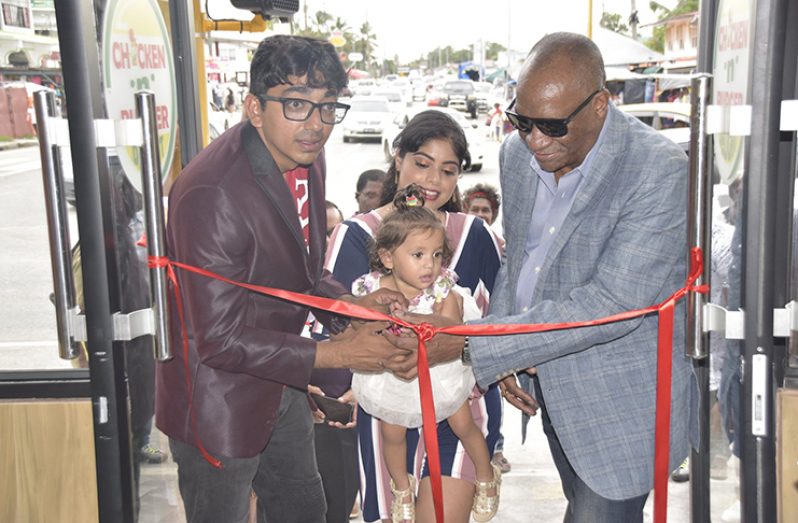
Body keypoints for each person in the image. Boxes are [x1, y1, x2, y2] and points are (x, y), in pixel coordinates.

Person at [391, 32, 696, 522]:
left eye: (551, 126)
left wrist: (477, 345)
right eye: (521, 120)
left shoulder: (657, 171)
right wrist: (511, 356)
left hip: (621, 404)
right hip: (548, 388)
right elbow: (522, 262)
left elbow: (610, 305)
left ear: (600, 105)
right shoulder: (517, 155)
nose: (534, 140)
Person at [156, 35, 415, 523]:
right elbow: (219, 341)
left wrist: (355, 307)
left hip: (280, 380)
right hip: (219, 400)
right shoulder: (212, 193)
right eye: (296, 104)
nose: (316, 125)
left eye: (326, 108)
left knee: (305, 509)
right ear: (254, 107)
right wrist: (339, 354)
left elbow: (302, 270)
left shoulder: (305, 157)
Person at [325, 109, 514, 523]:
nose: (432, 181)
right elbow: (336, 330)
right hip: (385, 409)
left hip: (459, 400)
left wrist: (500, 361)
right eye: (422, 164)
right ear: (398, 159)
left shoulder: (474, 236)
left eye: (447, 171)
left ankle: (484, 474)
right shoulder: (356, 236)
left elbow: (501, 322)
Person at [350, 185, 501, 523]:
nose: (430, 265)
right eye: (418, 255)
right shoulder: (372, 290)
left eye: (436, 255)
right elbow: (359, 331)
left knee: (462, 422)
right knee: (391, 432)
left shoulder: (443, 290)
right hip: (394, 374)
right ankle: (401, 487)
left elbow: (447, 335)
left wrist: (419, 322)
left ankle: (486, 474)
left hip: (439, 373)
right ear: (388, 258)